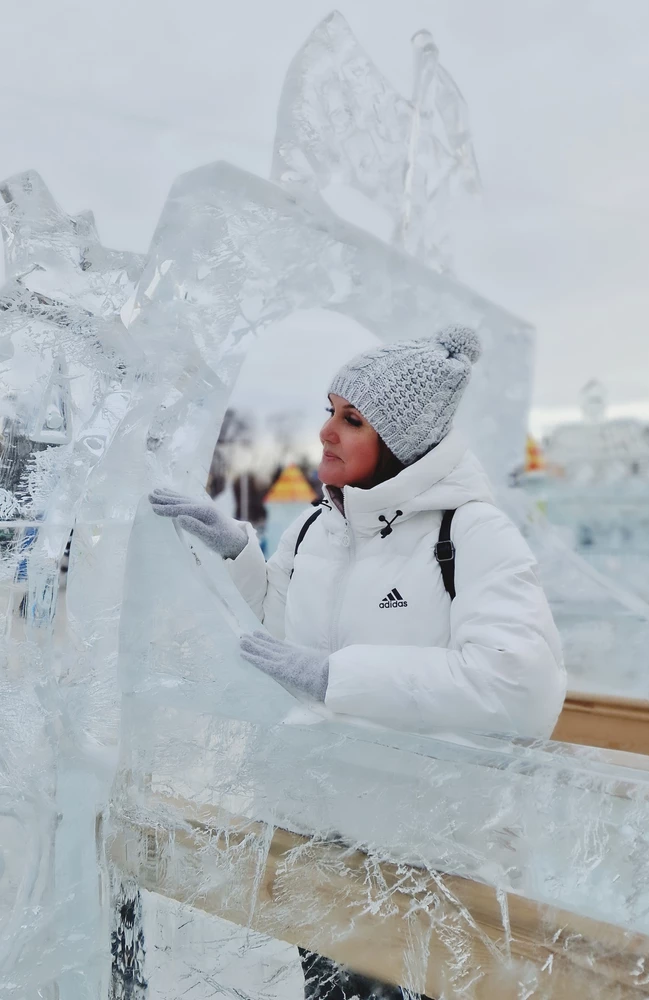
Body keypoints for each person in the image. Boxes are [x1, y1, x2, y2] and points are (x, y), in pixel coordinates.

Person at [150, 325, 566, 999]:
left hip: (427, 868)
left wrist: (339, 678)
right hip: (319, 845)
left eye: (352, 419)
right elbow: (277, 636)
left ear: (399, 443)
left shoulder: (470, 533)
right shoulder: (315, 527)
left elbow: (518, 688)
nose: (326, 432)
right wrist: (234, 556)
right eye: (329, 411)